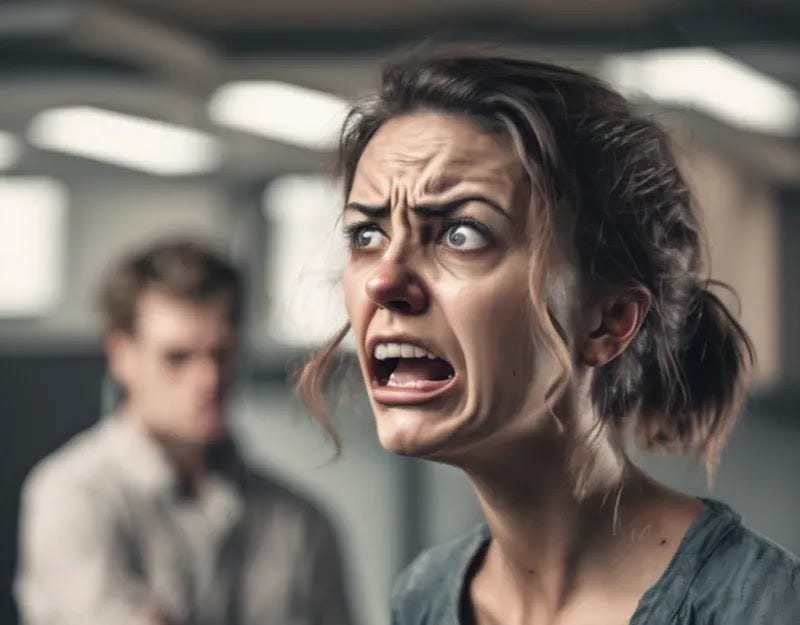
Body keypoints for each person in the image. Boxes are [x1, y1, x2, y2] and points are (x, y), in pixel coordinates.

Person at [298, 52, 800, 625]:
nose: (385, 279)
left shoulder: (763, 608)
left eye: (461, 233)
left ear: (607, 321)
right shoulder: (428, 596)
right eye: (368, 233)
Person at [16, 239, 354, 625]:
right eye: (177, 357)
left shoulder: (300, 524)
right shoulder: (72, 495)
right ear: (121, 356)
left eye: (220, 354)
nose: (207, 379)